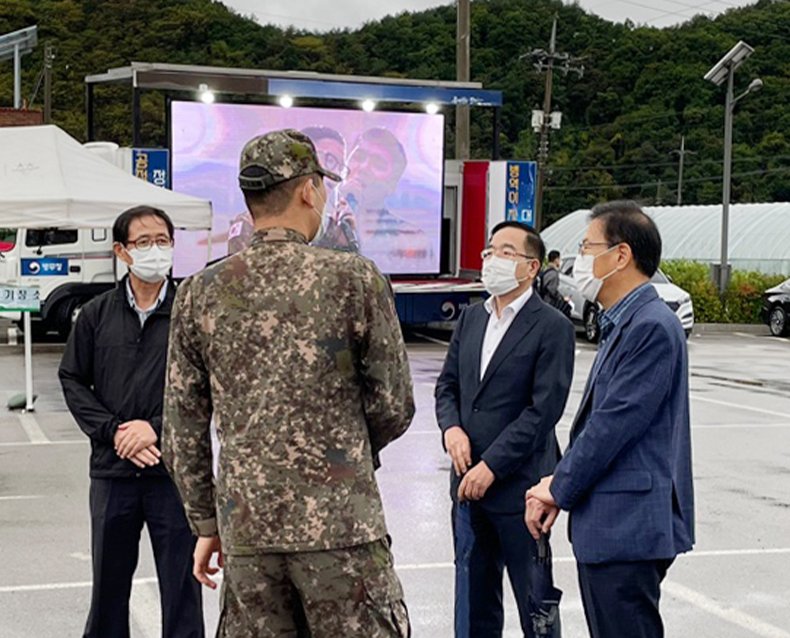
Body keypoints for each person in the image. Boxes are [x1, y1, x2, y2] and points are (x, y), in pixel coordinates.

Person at [162, 129, 415, 637]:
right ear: (307, 191)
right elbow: (393, 403)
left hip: (247, 531)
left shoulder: (199, 293)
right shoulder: (355, 279)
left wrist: (208, 523)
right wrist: (344, 456)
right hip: (341, 527)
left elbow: (181, 431)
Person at [526, 201, 695, 638]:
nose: (580, 259)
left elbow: (612, 426)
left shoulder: (651, 326)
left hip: (627, 526)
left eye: (587, 247)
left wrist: (557, 489)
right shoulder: (626, 321)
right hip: (613, 525)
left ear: (621, 255)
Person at [59, 206, 204, 638]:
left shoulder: (189, 312)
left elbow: (206, 387)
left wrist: (154, 427)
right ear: (122, 251)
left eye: (163, 240)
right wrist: (116, 431)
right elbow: (72, 379)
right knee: (108, 588)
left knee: (182, 588)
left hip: (174, 474)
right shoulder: (96, 314)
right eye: (144, 242)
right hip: (113, 471)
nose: (155, 250)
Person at [435, 221, 575, 638]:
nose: (493, 259)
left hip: (521, 491)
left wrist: (491, 466)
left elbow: (542, 411)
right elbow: (448, 386)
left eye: (506, 251)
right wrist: (452, 430)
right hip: (466, 488)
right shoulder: (472, 318)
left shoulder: (552, 327)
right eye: (489, 250)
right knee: (473, 605)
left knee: (536, 607)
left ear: (532, 267)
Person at [339, 127, 434, 271]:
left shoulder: (411, 239)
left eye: (378, 164)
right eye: (359, 157)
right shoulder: (316, 225)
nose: (364, 167)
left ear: (392, 186)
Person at [538, 250, 571, 319]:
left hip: (543, 300)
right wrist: (562, 298)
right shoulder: (553, 274)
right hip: (550, 303)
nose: (560, 261)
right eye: (559, 259)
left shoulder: (546, 270)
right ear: (556, 259)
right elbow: (552, 291)